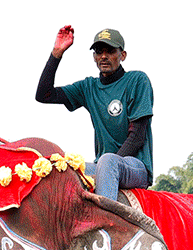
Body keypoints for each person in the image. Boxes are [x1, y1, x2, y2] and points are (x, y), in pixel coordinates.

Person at [35, 25, 153, 200]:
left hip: (135, 166)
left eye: (110, 51)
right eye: (99, 51)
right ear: (94, 57)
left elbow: (136, 137)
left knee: (107, 161)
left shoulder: (137, 80)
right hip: (103, 165)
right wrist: (57, 53)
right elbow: (44, 95)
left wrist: (106, 168)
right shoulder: (88, 87)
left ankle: (106, 225)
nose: (104, 56)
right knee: (62, 167)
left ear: (123, 55)